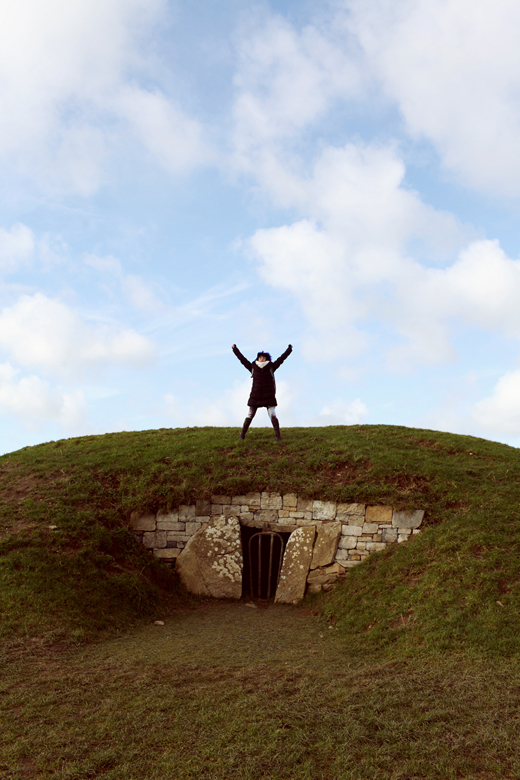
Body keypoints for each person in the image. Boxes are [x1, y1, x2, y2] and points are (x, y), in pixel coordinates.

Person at [232, 343, 292, 441]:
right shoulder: (252, 367)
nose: (262, 359)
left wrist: (289, 349)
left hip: (268, 396)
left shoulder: (271, 367)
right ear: (257, 359)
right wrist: (235, 349)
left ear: (267, 359)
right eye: (260, 357)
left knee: (273, 415)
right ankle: (242, 436)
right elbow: (242, 359)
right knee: (250, 415)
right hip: (255, 396)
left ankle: (278, 437)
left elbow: (281, 359)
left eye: (264, 358)